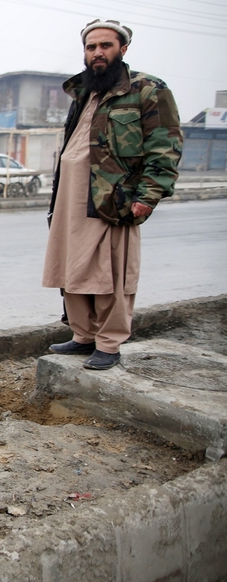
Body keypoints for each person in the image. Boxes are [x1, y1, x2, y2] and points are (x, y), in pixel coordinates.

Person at [43, 19, 181, 370]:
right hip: (70, 197)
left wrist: (148, 195)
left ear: (123, 49)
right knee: (71, 267)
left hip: (114, 198)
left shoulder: (148, 89)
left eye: (105, 46)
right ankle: (83, 335)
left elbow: (165, 147)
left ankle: (109, 342)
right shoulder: (82, 91)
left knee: (110, 273)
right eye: (91, 47)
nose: (97, 53)